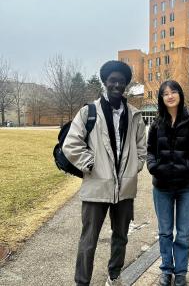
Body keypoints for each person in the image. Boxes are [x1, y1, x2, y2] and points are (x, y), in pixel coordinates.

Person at [63, 60, 147, 286]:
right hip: (96, 187)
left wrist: (136, 166)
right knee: (88, 240)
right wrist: (89, 164)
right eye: (113, 80)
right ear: (105, 82)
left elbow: (142, 146)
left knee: (120, 237)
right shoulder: (88, 112)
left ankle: (115, 275)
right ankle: (82, 282)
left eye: (121, 81)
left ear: (126, 84)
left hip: (125, 187)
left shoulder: (135, 115)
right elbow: (71, 144)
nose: (117, 85)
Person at [147, 80, 189, 286]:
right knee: (165, 232)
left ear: (180, 95)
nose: (170, 96)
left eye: (173, 92)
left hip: (187, 187)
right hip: (162, 187)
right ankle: (166, 270)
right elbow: (149, 151)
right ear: (161, 99)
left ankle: (180, 272)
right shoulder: (156, 125)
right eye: (165, 93)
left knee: (183, 233)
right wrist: (153, 167)